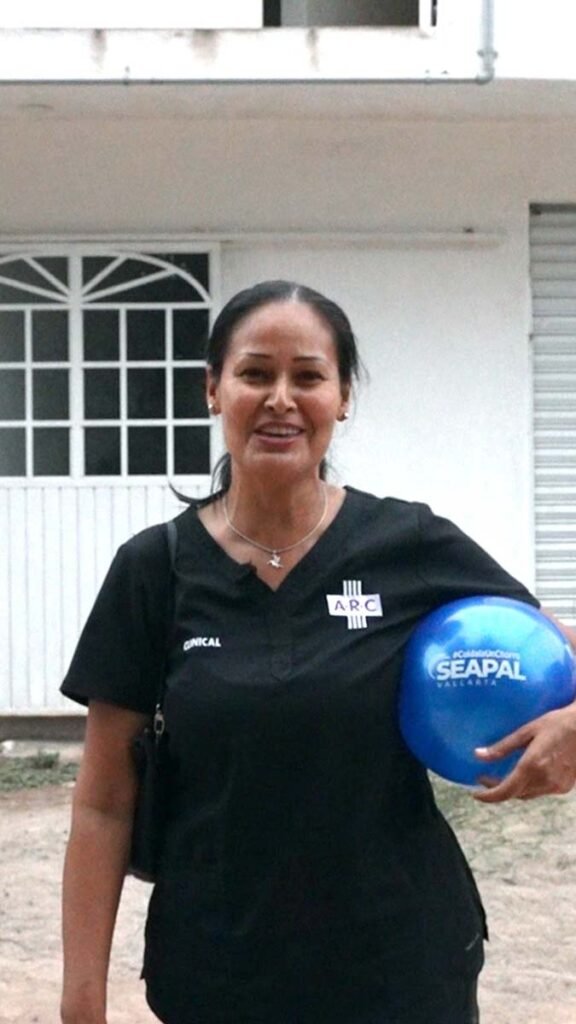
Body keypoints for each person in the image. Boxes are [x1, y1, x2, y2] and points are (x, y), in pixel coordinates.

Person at [60, 280, 576, 1024]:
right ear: (213, 390)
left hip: (401, 972)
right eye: (254, 374)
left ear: (342, 399)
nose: (280, 399)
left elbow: (555, 643)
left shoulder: (409, 545)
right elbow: (105, 803)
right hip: (216, 975)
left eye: (307, 376)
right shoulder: (156, 570)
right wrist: (82, 1001)